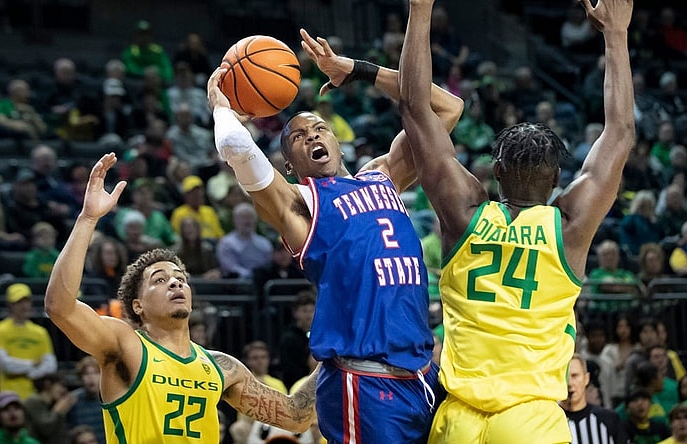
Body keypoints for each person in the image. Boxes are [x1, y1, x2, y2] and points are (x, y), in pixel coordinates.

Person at [208, 17, 464, 440]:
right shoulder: (300, 204)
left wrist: (357, 70)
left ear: (337, 140)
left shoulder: (383, 174)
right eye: (298, 137)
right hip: (364, 381)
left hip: (422, 375)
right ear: (289, 165)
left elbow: (446, 107)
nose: (312, 136)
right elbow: (236, 147)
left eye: (319, 128)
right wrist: (220, 106)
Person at [398, 0, 635, 441]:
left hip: (459, 419)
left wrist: (421, 8)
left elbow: (414, 108)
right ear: (559, 179)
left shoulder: (464, 212)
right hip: (531, 419)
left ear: (496, 172)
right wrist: (616, 34)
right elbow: (619, 132)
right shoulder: (569, 227)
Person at [44, 153, 319, 442]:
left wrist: (338, 352)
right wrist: (88, 219)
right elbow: (59, 307)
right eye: (159, 280)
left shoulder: (220, 367)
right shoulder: (126, 346)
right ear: (138, 306)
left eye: (180, 278)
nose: (175, 282)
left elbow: (295, 415)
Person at [0, 283, 57, 399]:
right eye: (19, 302)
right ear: (10, 305)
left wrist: (30, 373)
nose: (24, 306)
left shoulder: (40, 332)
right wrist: (33, 364)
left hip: (37, 394)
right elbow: (6, 365)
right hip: (9, 395)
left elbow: (50, 365)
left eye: (27, 301)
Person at [560, 354, 627, 444]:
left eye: (575, 376)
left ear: (586, 378)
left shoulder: (608, 419)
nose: (570, 383)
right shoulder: (549, 421)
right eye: (564, 377)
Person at [23, 373, 76, 443]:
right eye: (61, 386)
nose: (63, 390)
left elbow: (61, 434)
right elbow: (46, 429)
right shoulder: (32, 402)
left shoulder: (52, 404)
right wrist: (58, 409)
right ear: (47, 384)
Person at [66, 356, 105, 444]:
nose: (91, 378)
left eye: (95, 373)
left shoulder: (111, 399)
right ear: (80, 377)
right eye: (86, 374)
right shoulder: (72, 400)